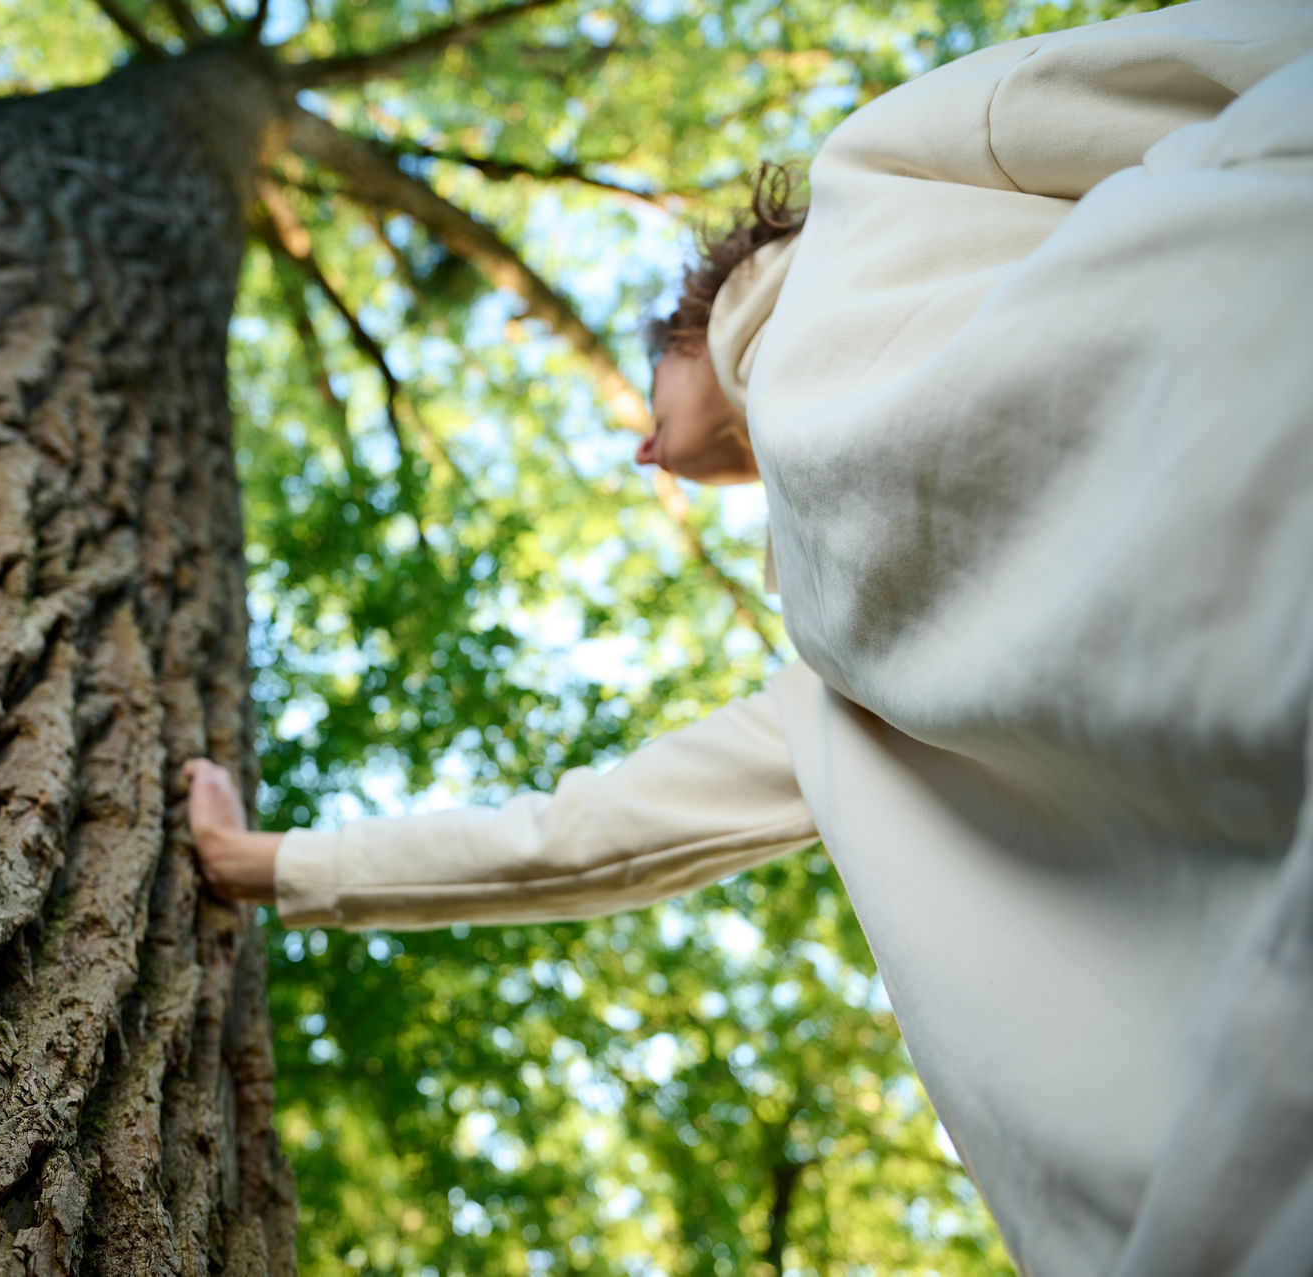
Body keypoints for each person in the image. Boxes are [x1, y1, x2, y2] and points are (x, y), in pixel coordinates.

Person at [187, 3, 1313, 1273]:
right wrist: (264, 862)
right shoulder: (837, 671)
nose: (640, 444)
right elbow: (581, 840)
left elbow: (1227, 66)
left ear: (694, 317)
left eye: (642, 386)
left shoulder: (883, 168)